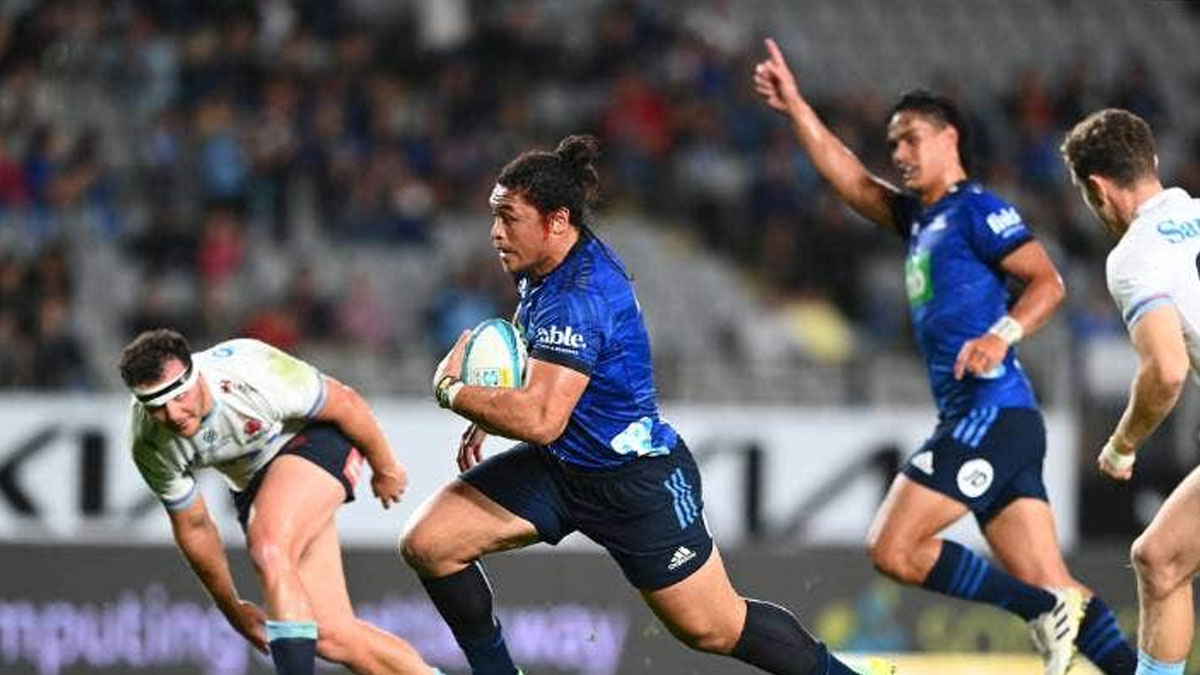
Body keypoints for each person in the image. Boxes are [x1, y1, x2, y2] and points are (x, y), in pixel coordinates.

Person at [400, 135, 894, 675]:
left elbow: (541, 420)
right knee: (431, 544)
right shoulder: (545, 263)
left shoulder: (581, 297)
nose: (496, 232)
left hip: (633, 482)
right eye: (495, 216)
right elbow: (535, 348)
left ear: (557, 220)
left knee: (715, 627)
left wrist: (454, 391)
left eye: (508, 217)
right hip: (562, 469)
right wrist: (495, 404)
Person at [753, 38, 1136, 675]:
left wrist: (1001, 335)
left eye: (910, 139)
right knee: (1058, 584)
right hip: (994, 420)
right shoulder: (919, 220)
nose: (899, 154)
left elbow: (1048, 282)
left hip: (991, 413)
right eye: (893, 143)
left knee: (894, 547)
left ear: (949, 137)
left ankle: (1039, 609)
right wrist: (796, 106)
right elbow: (851, 178)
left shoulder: (977, 210)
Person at [119, 329, 435, 675]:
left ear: (194, 374)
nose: (173, 414)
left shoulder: (250, 371)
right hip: (255, 484)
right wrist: (231, 607)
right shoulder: (148, 442)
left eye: (179, 395)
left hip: (317, 438)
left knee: (270, 547)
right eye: (156, 407)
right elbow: (194, 526)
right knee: (332, 636)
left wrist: (385, 467)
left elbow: (345, 402)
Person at [1060, 108, 1200, 675]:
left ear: (1097, 188)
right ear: (1153, 161)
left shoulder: (1136, 255)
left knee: (1161, 559)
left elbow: (1165, 371)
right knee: (1159, 558)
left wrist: (1122, 445)